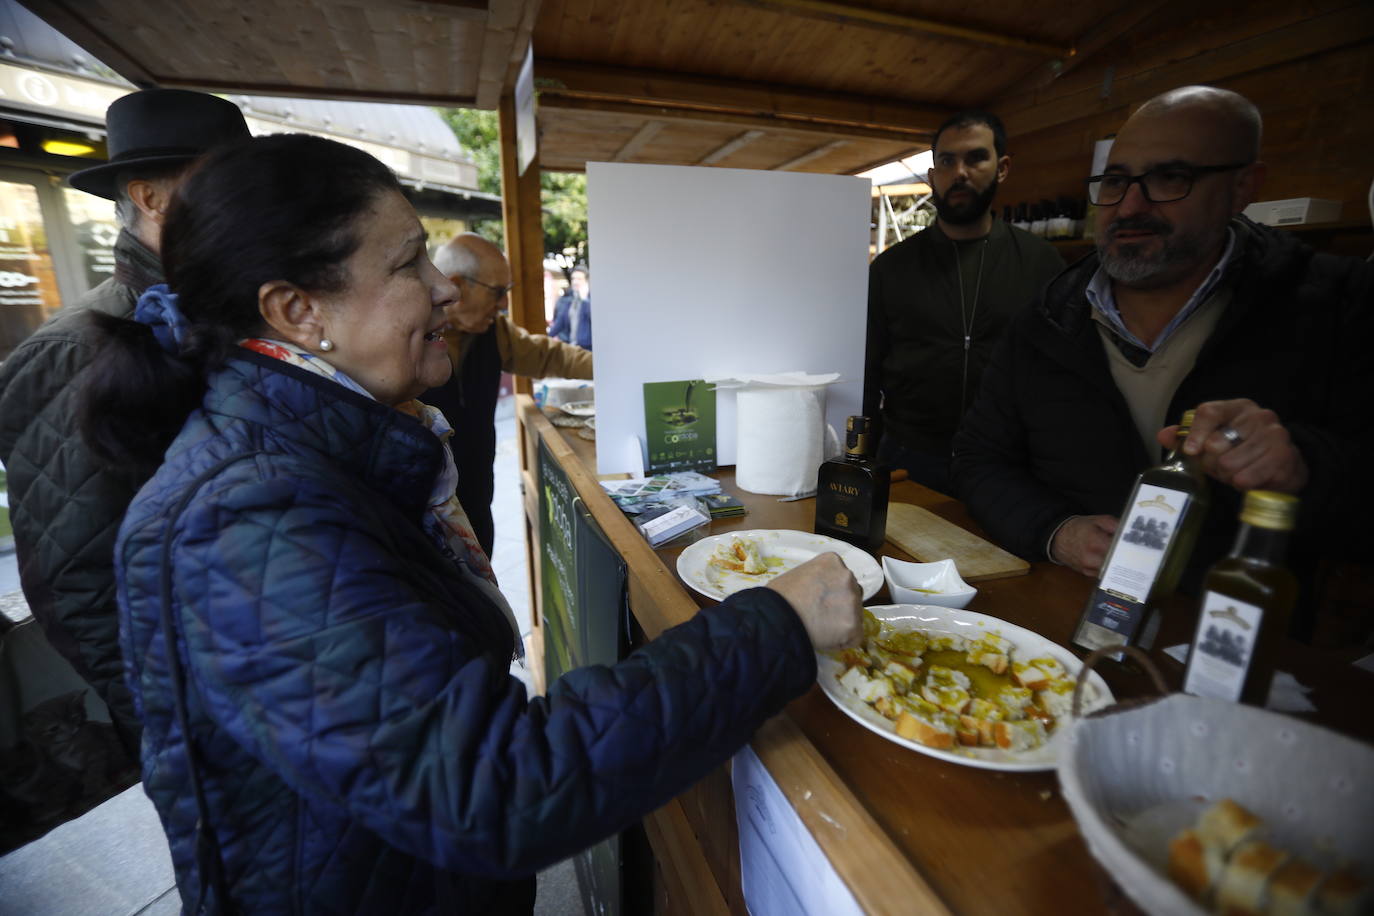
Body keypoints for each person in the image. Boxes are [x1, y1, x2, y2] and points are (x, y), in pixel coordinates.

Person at [77, 133, 862, 913]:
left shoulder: (317, 453)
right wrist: (775, 627)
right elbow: (495, 786)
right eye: (409, 263)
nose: (443, 290)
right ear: (298, 311)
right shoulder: (250, 513)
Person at [952, 86, 1373, 629]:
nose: (1131, 206)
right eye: (1115, 181)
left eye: (1170, 178)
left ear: (1243, 187)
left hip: (1233, 639)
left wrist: (1304, 464)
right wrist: (1055, 531)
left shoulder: (1338, 306)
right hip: (1062, 614)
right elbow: (979, 458)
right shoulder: (1046, 320)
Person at [0, 88, 250, 753]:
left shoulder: (235, 312)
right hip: (208, 715)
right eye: (228, 182)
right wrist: (172, 732)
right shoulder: (73, 352)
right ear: (151, 197)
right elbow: (79, 585)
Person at [864, 111, 1064, 493]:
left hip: (1008, 463)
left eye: (975, 158)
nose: (959, 172)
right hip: (908, 456)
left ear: (1002, 168)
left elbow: (1057, 374)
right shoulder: (892, 267)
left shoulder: (1041, 263)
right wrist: (863, 459)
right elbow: (868, 373)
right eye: (947, 161)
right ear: (931, 175)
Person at [422, 234, 592, 556]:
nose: (503, 305)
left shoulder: (492, 332)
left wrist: (613, 369)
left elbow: (549, 355)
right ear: (456, 285)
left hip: (477, 502)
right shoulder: (409, 340)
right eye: (498, 292)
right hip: (424, 519)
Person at [548, 264, 592, 350]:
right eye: (573, 279)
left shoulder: (591, 300)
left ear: (586, 281)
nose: (575, 282)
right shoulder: (567, 300)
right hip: (571, 347)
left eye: (579, 279)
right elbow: (559, 323)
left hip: (587, 349)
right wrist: (546, 338)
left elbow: (594, 319)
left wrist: (584, 299)